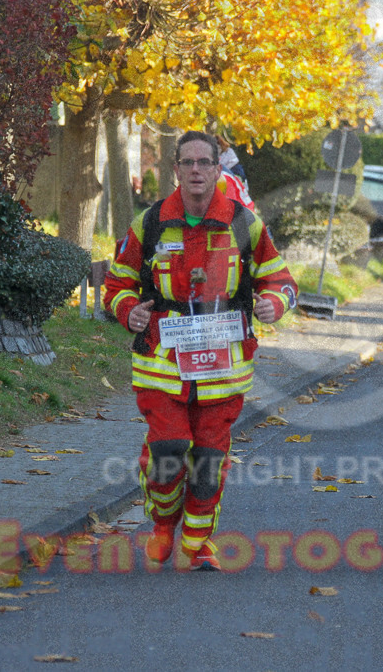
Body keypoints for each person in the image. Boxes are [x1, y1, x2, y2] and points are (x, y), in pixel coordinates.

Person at [104, 130, 297, 572]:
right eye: (186, 162)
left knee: (210, 457)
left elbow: (280, 278)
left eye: (203, 163)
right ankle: (163, 524)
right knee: (170, 447)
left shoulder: (245, 223)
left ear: (216, 169)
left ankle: (197, 537)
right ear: (175, 169)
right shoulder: (149, 223)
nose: (195, 170)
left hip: (223, 363)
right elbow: (118, 283)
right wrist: (128, 311)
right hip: (161, 361)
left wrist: (274, 303)